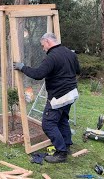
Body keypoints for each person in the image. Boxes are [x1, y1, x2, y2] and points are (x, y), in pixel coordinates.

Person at [13, 33, 80, 163]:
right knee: (62, 120)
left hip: (59, 96)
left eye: (43, 46)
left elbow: (38, 74)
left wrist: (22, 67)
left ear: (48, 42)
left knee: (48, 124)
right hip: (72, 93)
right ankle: (66, 145)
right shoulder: (70, 53)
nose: (43, 49)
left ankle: (61, 153)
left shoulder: (52, 57)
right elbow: (78, 71)